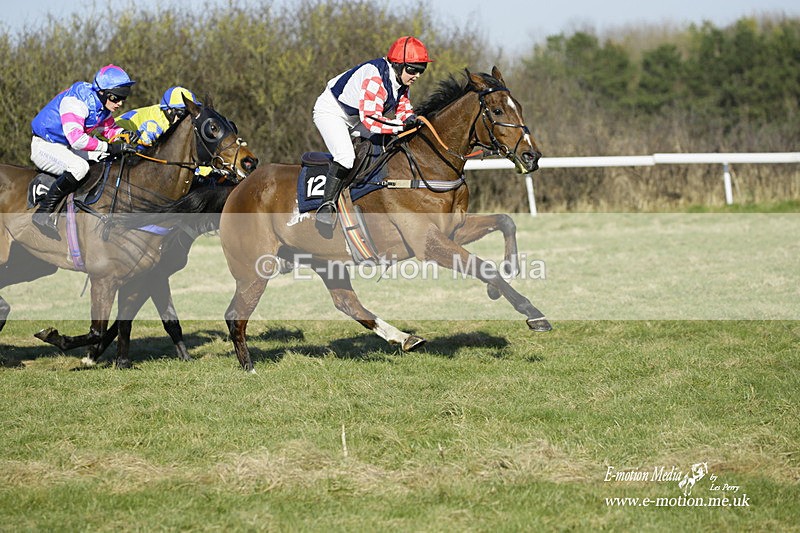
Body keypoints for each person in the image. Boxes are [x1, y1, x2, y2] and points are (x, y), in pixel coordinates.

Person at [312, 35, 432, 232]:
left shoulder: (401, 83)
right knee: (346, 156)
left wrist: (413, 121)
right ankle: (326, 206)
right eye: (413, 69)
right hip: (332, 112)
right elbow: (371, 120)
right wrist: (399, 126)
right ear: (397, 65)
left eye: (421, 70)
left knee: (387, 145)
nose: (417, 75)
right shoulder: (375, 77)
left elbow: (404, 112)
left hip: (357, 117)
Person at [30, 64, 138, 239]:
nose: (120, 103)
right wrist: (110, 146)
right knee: (80, 167)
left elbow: (110, 130)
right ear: (102, 92)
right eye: (117, 98)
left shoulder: (102, 106)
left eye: (123, 98)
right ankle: (43, 212)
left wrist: (124, 135)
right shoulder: (75, 102)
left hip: (66, 147)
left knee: (106, 158)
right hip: (45, 146)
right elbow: (77, 140)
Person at [115, 86, 201, 148]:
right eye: (182, 114)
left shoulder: (168, 119)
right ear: (169, 110)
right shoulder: (154, 125)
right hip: (108, 139)